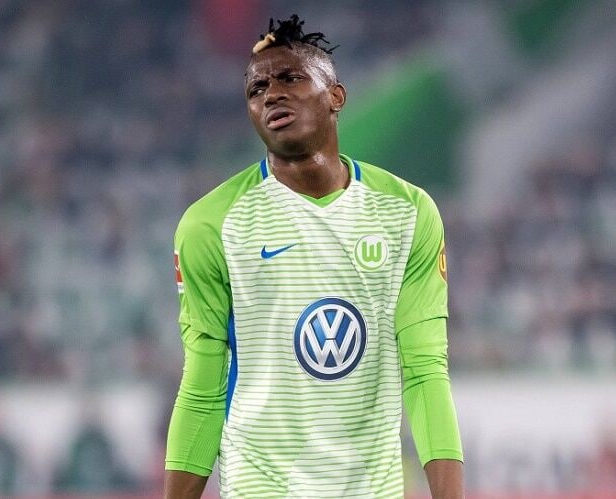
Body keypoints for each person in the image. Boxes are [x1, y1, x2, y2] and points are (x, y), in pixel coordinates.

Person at [163, 15, 463, 498]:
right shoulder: (211, 225)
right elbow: (202, 388)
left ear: (336, 97)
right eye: (257, 89)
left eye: (290, 78)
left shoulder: (407, 212)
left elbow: (425, 372)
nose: (271, 95)